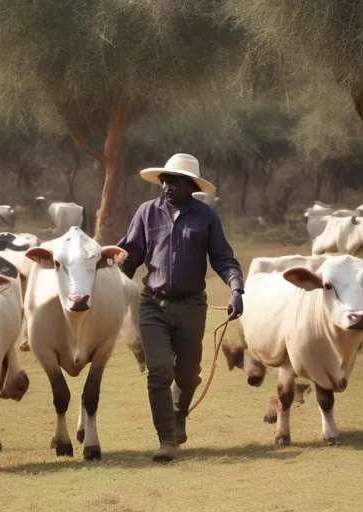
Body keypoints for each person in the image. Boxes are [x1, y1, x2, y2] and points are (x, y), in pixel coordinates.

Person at [117, 153, 244, 462]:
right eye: (164, 181)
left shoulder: (206, 217)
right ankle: (167, 440)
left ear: (190, 185)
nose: (166, 187)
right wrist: (107, 272)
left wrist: (236, 287)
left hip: (191, 308)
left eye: (174, 182)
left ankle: (179, 414)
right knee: (159, 370)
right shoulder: (147, 213)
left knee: (187, 375)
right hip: (153, 305)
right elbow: (129, 255)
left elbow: (223, 258)